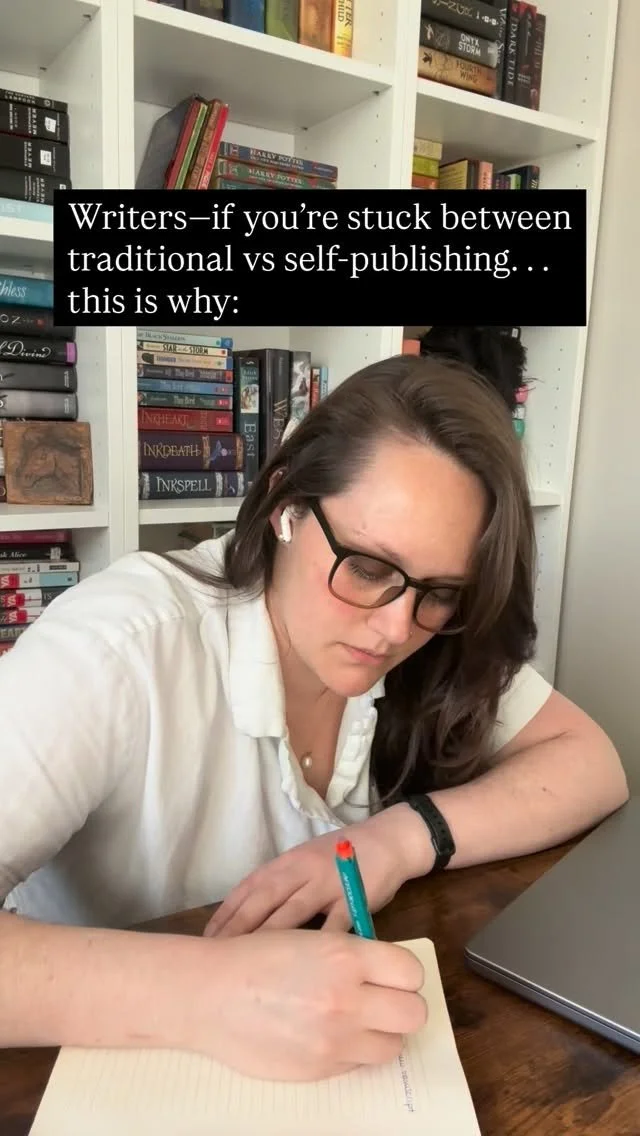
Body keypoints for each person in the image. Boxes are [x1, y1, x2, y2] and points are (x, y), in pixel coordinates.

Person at [0, 353, 628, 1082]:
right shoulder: (116, 648)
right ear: (285, 506)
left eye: (440, 591)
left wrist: (399, 840)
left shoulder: (434, 638)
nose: (395, 629)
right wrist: (211, 992)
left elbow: (591, 763)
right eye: (367, 568)